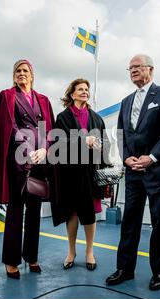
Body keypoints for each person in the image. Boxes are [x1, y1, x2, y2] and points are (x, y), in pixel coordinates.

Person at [106, 54, 160, 290]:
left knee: (159, 223)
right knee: (130, 221)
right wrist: (126, 157)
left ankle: (159, 271)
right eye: (130, 68)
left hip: (158, 170)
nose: (133, 71)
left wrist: (151, 157)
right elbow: (121, 134)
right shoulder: (126, 101)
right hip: (133, 172)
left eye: (138, 67)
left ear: (151, 69)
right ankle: (125, 269)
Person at [0, 59, 55, 279]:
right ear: (13, 75)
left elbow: (49, 130)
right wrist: (28, 148)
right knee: (15, 211)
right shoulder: (6, 97)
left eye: (25, 70)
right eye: (17, 71)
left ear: (32, 75)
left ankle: (31, 256)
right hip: (18, 162)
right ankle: (11, 261)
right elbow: (8, 126)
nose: (21, 74)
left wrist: (45, 150)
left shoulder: (43, 100)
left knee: (35, 212)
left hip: (39, 163)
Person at [51, 79, 110, 271]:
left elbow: (104, 144)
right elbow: (57, 145)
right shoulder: (62, 118)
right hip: (70, 174)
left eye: (87, 89)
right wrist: (84, 140)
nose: (85, 92)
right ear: (72, 94)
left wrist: (98, 144)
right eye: (80, 89)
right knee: (72, 214)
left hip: (90, 174)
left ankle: (89, 251)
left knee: (90, 213)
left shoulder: (96, 118)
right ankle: (71, 251)